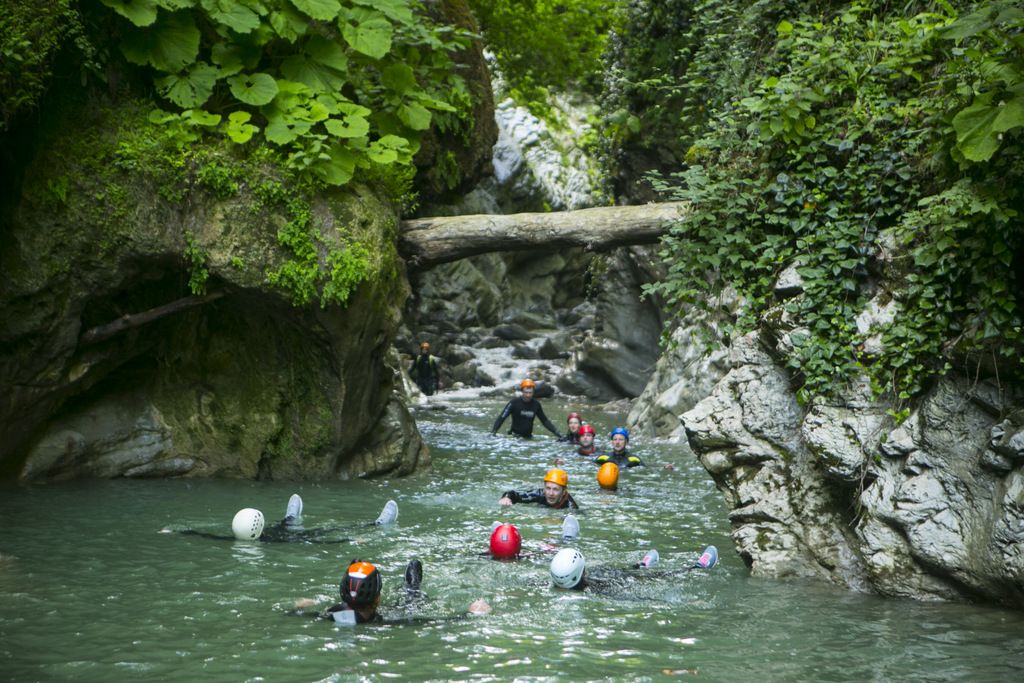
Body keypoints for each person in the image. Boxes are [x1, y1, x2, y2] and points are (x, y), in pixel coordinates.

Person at [296, 559, 492, 624]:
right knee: (412, 598)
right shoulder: (392, 623)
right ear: (378, 598)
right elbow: (440, 622)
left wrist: (299, 608)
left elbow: (297, 614)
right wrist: (471, 614)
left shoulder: (332, 614)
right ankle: (412, 585)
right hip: (396, 614)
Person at [168, 495, 398, 543]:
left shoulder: (234, 538)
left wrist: (179, 530)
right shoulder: (273, 541)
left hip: (269, 535)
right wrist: (349, 541)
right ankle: (376, 525)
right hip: (280, 540)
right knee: (323, 532)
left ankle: (290, 518)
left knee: (281, 525)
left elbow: (206, 534)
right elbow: (320, 543)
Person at [549, 545, 718, 593]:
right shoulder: (597, 591)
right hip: (610, 586)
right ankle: (696, 568)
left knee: (606, 570)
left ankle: (640, 565)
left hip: (592, 582)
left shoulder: (550, 585)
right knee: (654, 577)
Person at [490, 379, 563, 439]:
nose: (528, 395)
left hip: (528, 437)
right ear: (522, 391)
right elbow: (502, 417)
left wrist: (558, 433)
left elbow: (545, 421)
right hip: (514, 437)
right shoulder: (513, 403)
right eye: (526, 392)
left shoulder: (536, 404)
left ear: (533, 392)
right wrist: (493, 432)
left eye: (530, 393)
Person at [498, 468, 579, 510]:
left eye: (555, 489)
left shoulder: (570, 505)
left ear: (564, 491)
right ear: (544, 488)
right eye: (548, 488)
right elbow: (514, 494)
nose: (551, 493)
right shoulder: (538, 494)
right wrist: (506, 497)